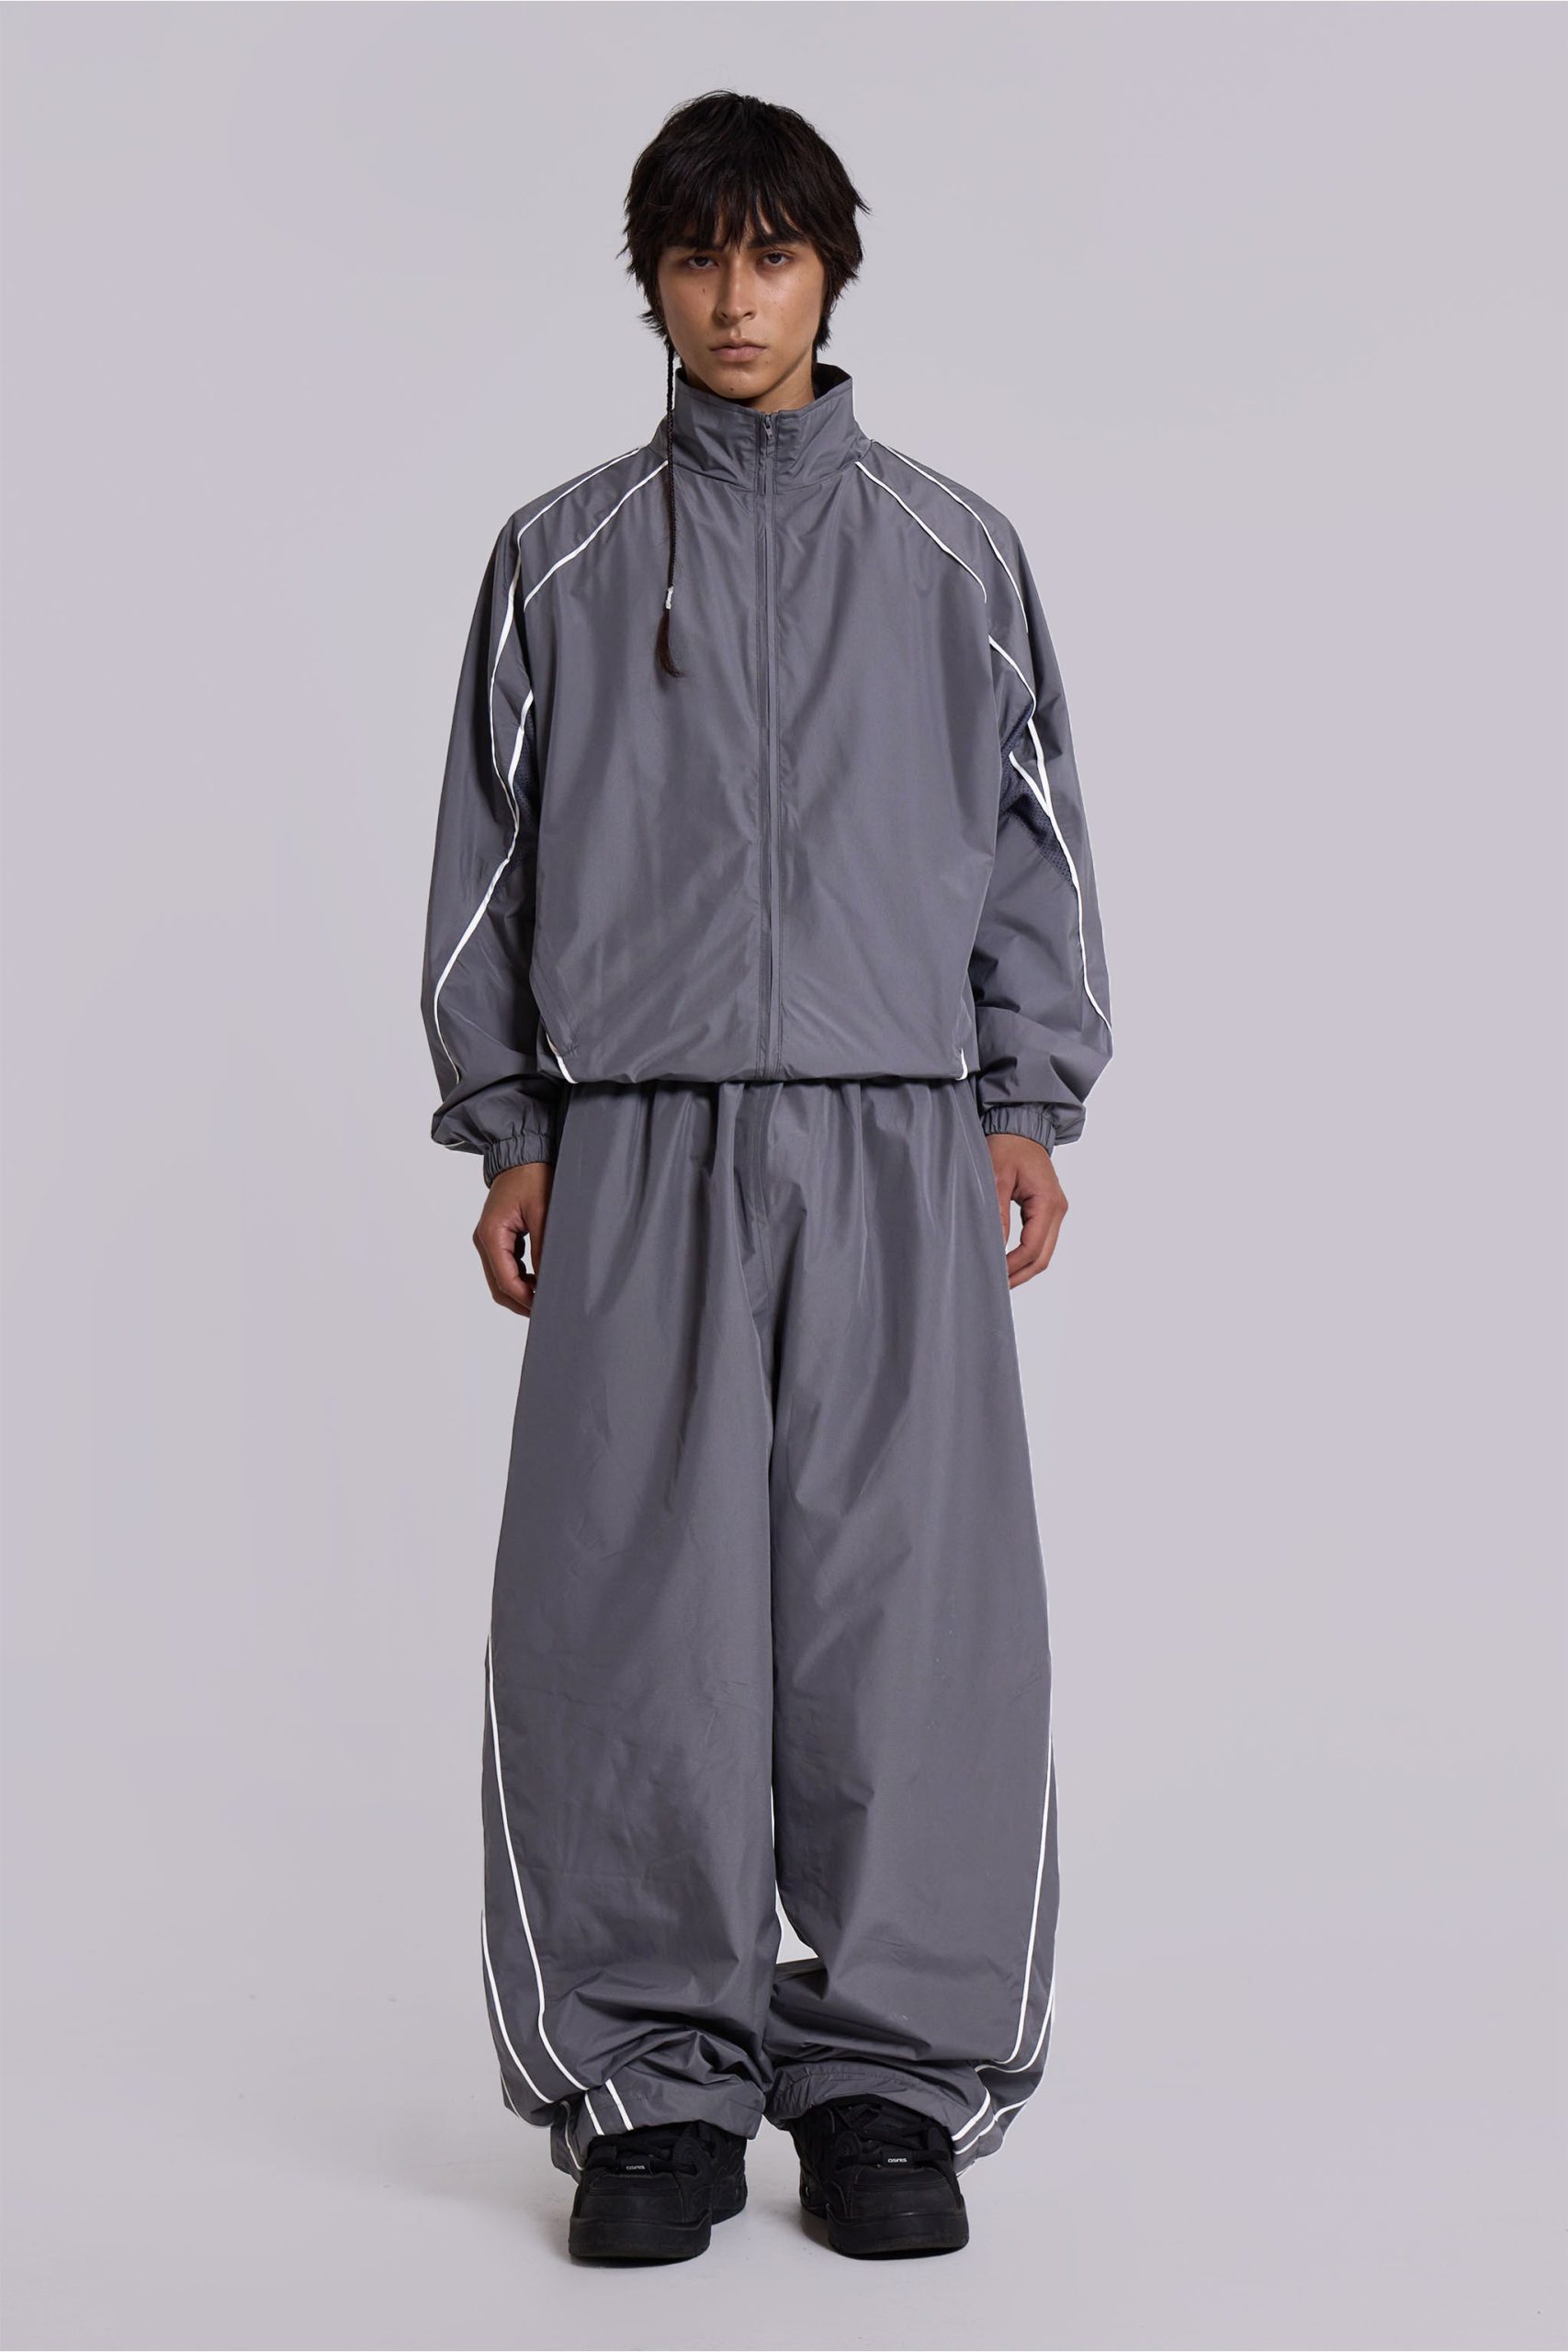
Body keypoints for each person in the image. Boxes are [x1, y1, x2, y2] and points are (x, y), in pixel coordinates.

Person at [419, 90, 1113, 2266]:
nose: (736, 299)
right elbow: (484, 864)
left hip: (898, 1129)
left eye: (773, 254)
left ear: (829, 269)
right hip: (634, 1135)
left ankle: (893, 2072)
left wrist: (1024, 1095)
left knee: (911, 1609)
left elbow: (1031, 843)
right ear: (649, 281)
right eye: (697, 257)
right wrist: (511, 1123)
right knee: (629, 1613)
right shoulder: (555, 559)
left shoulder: (951, 552)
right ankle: (653, 2080)